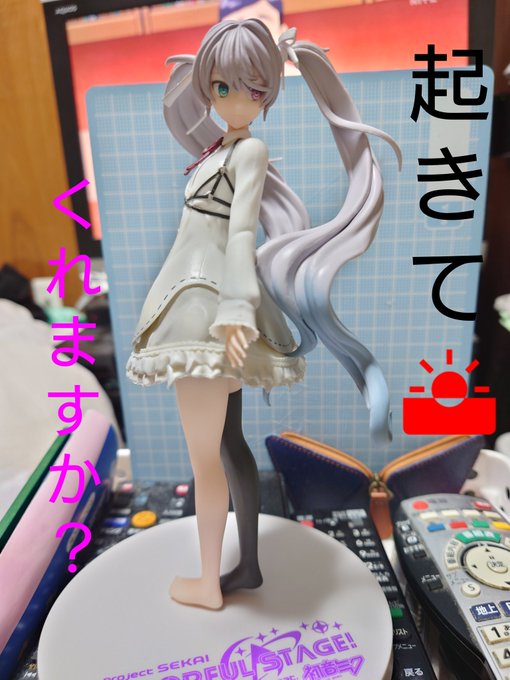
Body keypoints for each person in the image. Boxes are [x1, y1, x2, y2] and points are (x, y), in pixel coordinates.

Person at [126, 19, 400, 610]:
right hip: (198, 296)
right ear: (207, 86)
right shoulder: (216, 150)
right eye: (221, 87)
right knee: (228, 445)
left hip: (206, 309)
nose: (235, 100)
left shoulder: (248, 150)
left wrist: (234, 307)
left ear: (268, 91)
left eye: (251, 89)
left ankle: (207, 583)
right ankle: (247, 565)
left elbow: (243, 231)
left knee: (206, 460)